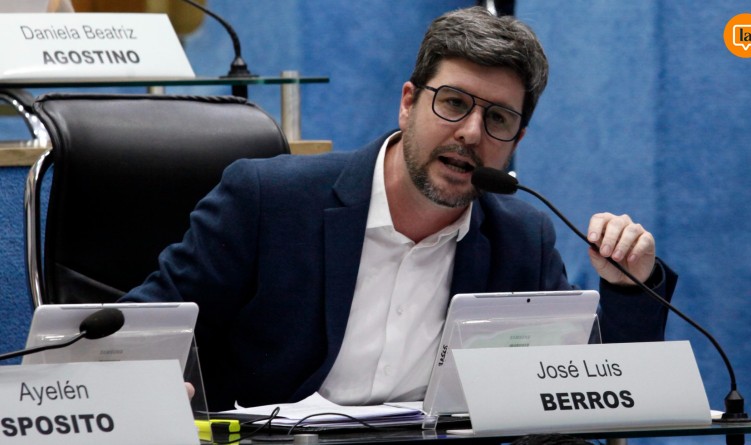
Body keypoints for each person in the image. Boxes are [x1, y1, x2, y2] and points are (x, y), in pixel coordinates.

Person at [122, 6, 677, 411]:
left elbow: (590, 394)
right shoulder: (269, 202)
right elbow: (135, 336)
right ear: (409, 103)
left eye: (498, 119)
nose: (471, 133)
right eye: (454, 103)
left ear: (517, 140)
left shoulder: (521, 238)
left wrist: (630, 286)